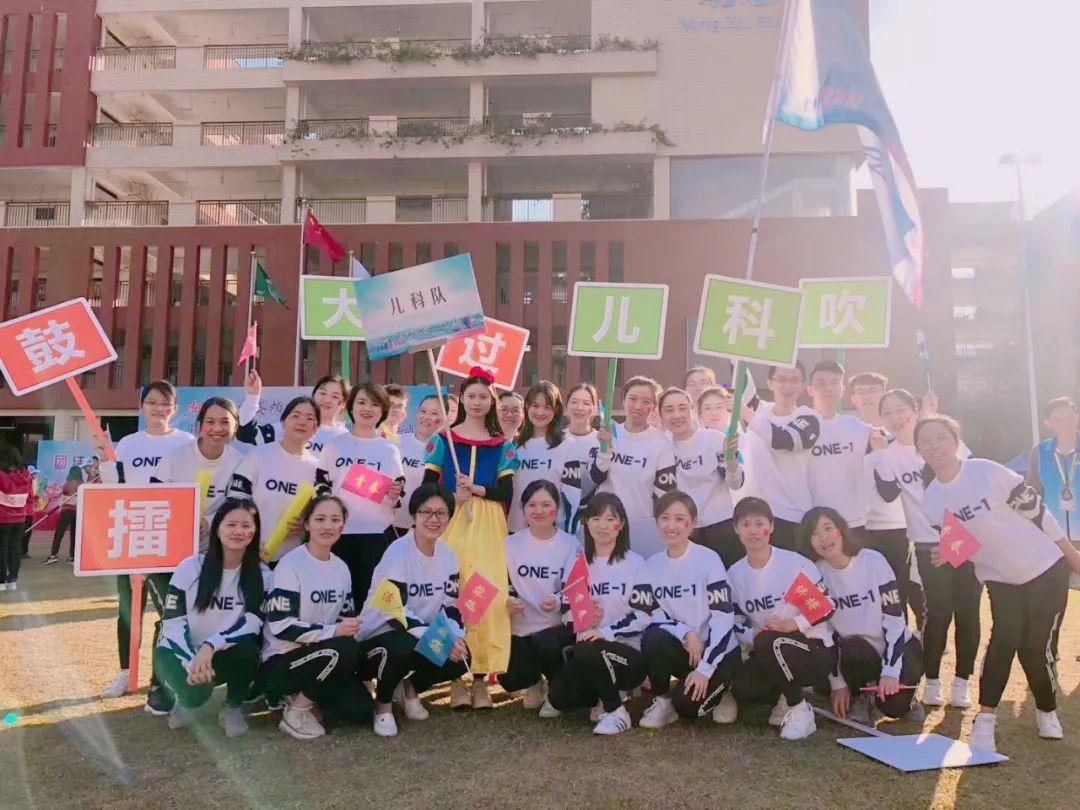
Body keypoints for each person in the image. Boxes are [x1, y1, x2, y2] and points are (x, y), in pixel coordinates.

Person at [919, 415, 1080, 753]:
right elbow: (963, 546)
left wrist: (1070, 554)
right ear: (918, 450)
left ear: (955, 441)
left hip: (1045, 567)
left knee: (1034, 647)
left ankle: (1046, 710)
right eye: (925, 440)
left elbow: (1038, 513)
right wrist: (948, 554)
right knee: (1003, 640)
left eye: (940, 437)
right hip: (999, 577)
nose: (934, 445)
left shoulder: (986, 471)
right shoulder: (932, 500)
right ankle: (985, 720)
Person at [874, 390, 980, 709]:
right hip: (926, 542)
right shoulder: (888, 452)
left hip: (963, 539)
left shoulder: (940, 438)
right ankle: (932, 680)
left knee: (968, 612)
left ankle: (962, 682)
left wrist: (931, 420)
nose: (896, 417)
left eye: (901, 410)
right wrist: (880, 455)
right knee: (937, 612)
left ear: (915, 410)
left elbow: (969, 478)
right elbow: (888, 494)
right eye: (888, 412)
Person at [95, 381, 196, 708]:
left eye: (165, 403)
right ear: (142, 406)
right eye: (152, 402)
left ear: (175, 408)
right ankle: (126, 672)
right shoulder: (128, 444)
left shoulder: (187, 443)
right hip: (134, 534)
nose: (158, 409)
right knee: (129, 610)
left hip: (172, 540)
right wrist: (105, 458)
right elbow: (115, 486)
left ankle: (162, 675)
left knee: (171, 611)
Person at [423, 368, 519, 708]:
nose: (477, 402)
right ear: (461, 399)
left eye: (483, 397)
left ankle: (480, 678)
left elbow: (506, 491)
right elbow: (426, 489)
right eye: (471, 396)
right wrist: (452, 496)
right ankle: (454, 678)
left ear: (491, 402)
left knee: (486, 594)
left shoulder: (503, 446)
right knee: (452, 592)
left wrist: (477, 489)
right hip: (450, 521)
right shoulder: (443, 440)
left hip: (489, 524)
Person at [356, 484, 469, 737]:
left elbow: (451, 606)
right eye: (426, 512)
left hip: (417, 634)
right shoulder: (397, 552)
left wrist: (454, 637)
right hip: (377, 637)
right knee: (403, 644)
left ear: (449, 518)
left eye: (441, 513)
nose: (433, 519)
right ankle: (383, 706)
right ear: (414, 516)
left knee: (461, 657)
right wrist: (433, 636)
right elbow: (393, 612)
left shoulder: (449, 556)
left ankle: (408, 688)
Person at [154, 498, 271, 737]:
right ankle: (184, 702)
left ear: (255, 532)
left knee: (249, 649)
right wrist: (192, 662)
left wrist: (211, 646)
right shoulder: (190, 567)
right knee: (196, 695)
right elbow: (172, 623)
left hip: (220, 651)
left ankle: (232, 707)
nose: (239, 531)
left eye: (246, 526)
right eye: (231, 525)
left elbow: (252, 623)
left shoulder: (262, 575)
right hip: (183, 655)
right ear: (217, 528)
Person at [261, 494, 374, 740]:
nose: (327, 526)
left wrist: (351, 627)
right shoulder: (290, 565)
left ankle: (308, 697)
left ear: (342, 527)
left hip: (323, 655)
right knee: (342, 649)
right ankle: (296, 710)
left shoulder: (341, 568)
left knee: (363, 711)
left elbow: (344, 618)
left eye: (335, 520)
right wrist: (332, 632)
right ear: (307, 524)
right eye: (320, 519)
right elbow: (281, 626)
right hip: (282, 659)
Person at [801, 507, 923, 725]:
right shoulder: (813, 575)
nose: (824, 538)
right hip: (856, 652)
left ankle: (905, 697)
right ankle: (861, 696)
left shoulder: (873, 561)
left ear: (841, 530)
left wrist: (890, 672)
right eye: (815, 533)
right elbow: (822, 635)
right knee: (852, 647)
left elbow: (895, 621)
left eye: (828, 528)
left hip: (897, 646)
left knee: (895, 707)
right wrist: (838, 684)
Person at [727, 497, 835, 741]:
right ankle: (783, 696)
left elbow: (826, 607)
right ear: (736, 529)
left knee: (770, 641)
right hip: (765, 647)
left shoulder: (794, 563)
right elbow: (734, 621)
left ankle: (799, 708)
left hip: (812, 648)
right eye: (745, 524)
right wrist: (751, 635)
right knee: (745, 688)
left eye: (759, 524)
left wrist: (792, 624)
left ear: (772, 526)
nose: (753, 531)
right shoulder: (734, 573)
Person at [632, 491, 741, 730]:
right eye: (665, 518)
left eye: (680, 519)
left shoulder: (709, 559)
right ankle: (663, 699)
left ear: (692, 524)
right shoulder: (651, 565)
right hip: (687, 649)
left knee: (688, 708)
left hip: (718, 652)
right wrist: (686, 632)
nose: (671, 526)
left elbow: (723, 619)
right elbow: (651, 614)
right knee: (653, 636)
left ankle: (725, 690)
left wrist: (705, 669)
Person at [546, 493, 647, 735]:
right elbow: (567, 611)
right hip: (588, 649)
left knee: (589, 647)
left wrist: (605, 632)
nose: (602, 526)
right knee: (559, 696)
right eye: (596, 518)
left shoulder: (636, 563)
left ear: (621, 525)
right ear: (586, 523)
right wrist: (584, 617)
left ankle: (616, 711)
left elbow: (644, 615)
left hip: (628, 653)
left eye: (610, 519)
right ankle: (602, 695)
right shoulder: (578, 564)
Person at [315, 381, 405, 603]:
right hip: (338, 534)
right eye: (362, 402)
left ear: (383, 410)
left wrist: (395, 493)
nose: (367, 409)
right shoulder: (334, 446)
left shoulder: (389, 450)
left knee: (370, 599)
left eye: (375, 404)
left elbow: (398, 494)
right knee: (338, 598)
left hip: (376, 535)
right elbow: (321, 488)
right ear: (350, 407)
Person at [497, 480, 580, 713]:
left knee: (548, 646)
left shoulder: (571, 545)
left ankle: (557, 687)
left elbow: (575, 590)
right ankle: (533, 682)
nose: (539, 511)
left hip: (554, 630)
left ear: (557, 509)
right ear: (523, 509)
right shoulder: (509, 544)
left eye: (546, 505)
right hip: (519, 629)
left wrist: (559, 601)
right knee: (508, 675)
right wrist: (507, 601)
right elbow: (501, 583)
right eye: (532, 505)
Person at [848, 372, 915, 620]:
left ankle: (906, 637)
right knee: (866, 594)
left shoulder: (899, 433)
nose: (867, 396)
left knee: (899, 592)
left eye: (873, 390)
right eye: (861, 391)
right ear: (852, 398)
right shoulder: (847, 433)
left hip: (894, 526)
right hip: (858, 525)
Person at [588, 376, 677, 558]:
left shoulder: (661, 443)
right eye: (633, 399)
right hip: (605, 526)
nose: (638, 406)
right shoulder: (608, 434)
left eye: (646, 402)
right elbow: (595, 478)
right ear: (623, 400)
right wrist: (605, 450)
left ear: (653, 407)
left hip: (640, 526)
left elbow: (665, 496)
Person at [228, 397, 320, 564]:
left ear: (315, 428)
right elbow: (236, 497)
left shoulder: (317, 468)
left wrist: (306, 524)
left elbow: (319, 512)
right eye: (296, 416)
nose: (302, 422)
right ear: (283, 423)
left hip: (290, 559)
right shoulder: (259, 455)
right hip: (249, 550)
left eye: (309, 418)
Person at [660, 387, 744, 568]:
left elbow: (735, 483)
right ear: (661, 416)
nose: (676, 415)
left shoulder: (714, 439)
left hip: (720, 526)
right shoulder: (662, 447)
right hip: (685, 531)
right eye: (669, 410)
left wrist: (731, 460)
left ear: (693, 411)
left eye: (683, 408)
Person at [742, 363, 819, 551]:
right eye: (781, 380)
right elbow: (741, 376)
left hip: (792, 515)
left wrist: (747, 415)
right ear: (769, 383)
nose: (787, 386)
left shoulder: (809, 418)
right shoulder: (759, 410)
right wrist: (735, 356)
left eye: (794, 380)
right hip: (755, 515)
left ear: (803, 386)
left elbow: (783, 440)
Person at [153, 397, 245, 549]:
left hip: (215, 547)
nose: (217, 428)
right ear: (200, 425)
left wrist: (209, 522)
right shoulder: (175, 457)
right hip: (172, 542)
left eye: (225, 422)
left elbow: (238, 506)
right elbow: (155, 497)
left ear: (235, 427)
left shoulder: (240, 463)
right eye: (210, 422)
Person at [805, 361, 875, 537]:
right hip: (813, 522)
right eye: (821, 383)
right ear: (810, 390)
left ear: (842, 390)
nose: (828, 388)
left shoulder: (860, 428)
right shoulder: (799, 428)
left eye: (834, 383)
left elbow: (900, 437)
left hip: (853, 521)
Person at [509, 382, 572, 533]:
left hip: (553, 530)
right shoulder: (514, 445)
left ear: (556, 410)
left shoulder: (567, 444)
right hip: (517, 529)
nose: (540, 412)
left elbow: (572, 494)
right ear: (527, 407)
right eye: (535, 405)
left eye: (547, 407)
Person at [238, 371, 350, 456]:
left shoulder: (345, 437)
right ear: (314, 394)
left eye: (335, 396)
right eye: (322, 393)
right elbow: (246, 433)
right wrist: (253, 396)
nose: (327, 400)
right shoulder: (291, 426)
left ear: (344, 404)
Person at [1027, 396, 1078, 544]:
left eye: (1069, 418)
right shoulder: (1039, 452)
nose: (1065, 424)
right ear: (1048, 423)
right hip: (1053, 538)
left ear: (1077, 417)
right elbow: (1032, 494)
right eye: (1058, 420)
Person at [393, 394, 444, 538]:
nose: (426, 417)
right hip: (390, 524)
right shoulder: (397, 442)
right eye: (423, 411)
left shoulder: (447, 452)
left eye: (434, 413)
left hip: (424, 529)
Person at [561, 382, 600, 534]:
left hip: (593, 516)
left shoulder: (601, 441)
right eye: (574, 402)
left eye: (586, 403)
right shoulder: (556, 440)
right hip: (561, 515)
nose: (579, 407)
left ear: (594, 409)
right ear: (566, 406)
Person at [0, 444, 33, 592]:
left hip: (2, 518)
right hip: (20, 519)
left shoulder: (1, 475)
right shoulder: (27, 475)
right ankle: (12, 580)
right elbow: (30, 498)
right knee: (15, 548)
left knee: (2, 548)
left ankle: (1, 581)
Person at [45, 461, 89, 565]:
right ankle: (72, 557)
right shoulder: (83, 485)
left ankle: (53, 555)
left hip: (66, 512)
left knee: (59, 533)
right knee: (74, 534)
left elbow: (63, 497)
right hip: (78, 513)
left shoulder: (66, 485)